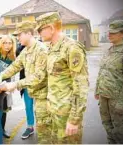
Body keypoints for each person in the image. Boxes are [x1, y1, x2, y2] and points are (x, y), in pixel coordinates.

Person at [36, 12, 89, 144]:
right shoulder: (52, 48)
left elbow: (81, 86)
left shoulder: (72, 48)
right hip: (54, 111)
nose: (39, 34)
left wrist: (74, 119)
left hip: (66, 114)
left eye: (40, 29)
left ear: (51, 28)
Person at [0, 21, 50, 143]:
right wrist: (1, 75)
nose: (17, 38)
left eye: (19, 35)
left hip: (44, 96)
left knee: (45, 132)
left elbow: (39, 76)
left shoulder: (41, 49)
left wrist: (15, 84)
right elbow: (15, 66)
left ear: (29, 34)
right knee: (42, 134)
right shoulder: (25, 50)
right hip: (32, 91)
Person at [94, 20, 123, 144]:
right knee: (107, 126)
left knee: (119, 130)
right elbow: (102, 70)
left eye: (113, 32)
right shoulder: (109, 50)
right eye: (109, 32)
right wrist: (97, 90)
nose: (109, 35)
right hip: (104, 96)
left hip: (117, 99)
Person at [0, 35, 16, 138]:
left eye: (10, 43)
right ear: (1, 43)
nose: (7, 45)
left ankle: (2, 129)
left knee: (4, 110)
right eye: (5, 43)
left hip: (6, 86)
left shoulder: (12, 57)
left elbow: (13, 73)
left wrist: (11, 86)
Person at [15, 43, 35, 139]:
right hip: (25, 84)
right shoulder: (19, 50)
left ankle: (45, 127)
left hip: (39, 84)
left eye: (20, 35)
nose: (18, 38)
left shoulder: (39, 47)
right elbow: (17, 66)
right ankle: (30, 127)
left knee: (42, 108)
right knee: (28, 106)